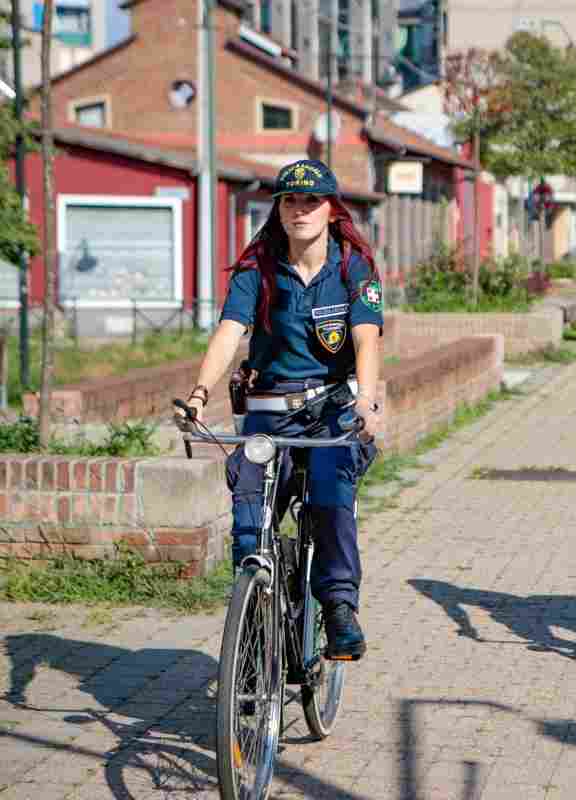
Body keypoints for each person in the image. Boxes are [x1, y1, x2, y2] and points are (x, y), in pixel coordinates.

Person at [175, 159, 383, 661]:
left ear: (332, 210)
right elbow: (230, 333)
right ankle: (255, 606)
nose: (300, 210)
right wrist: (201, 392)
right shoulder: (258, 268)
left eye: (311, 201)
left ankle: (337, 607)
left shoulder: (353, 266)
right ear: (279, 209)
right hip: (270, 407)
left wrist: (366, 400)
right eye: (290, 200)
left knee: (332, 495)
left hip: (333, 406)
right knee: (250, 498)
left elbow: (366, 339)